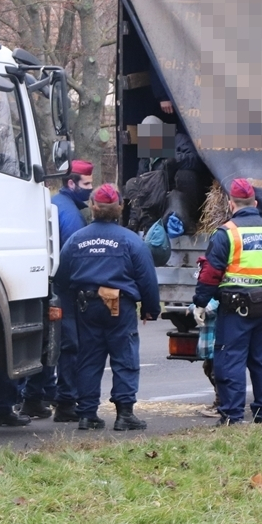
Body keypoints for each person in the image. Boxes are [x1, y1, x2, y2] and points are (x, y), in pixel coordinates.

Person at [54, 184, 161, 431]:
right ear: (119, 208)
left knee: (89, 358)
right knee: (124, 357)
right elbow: (147, 278)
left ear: (93, 207)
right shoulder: (130, 241)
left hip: (86, 306)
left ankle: (87, 414)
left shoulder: (76, 240)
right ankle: (124, 414)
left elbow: (61, 279)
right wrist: (150, 309)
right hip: (118, 305)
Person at [192, 178, 262, 425]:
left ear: (230, 203)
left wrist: (200, 302)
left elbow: (211, 272)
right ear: (254, 203)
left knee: (230, 360)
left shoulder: (228, 233)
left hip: (235, 309)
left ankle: (232, 416)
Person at [19, 159, 94, 421]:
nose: (90, 189)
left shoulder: (51, 203)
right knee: (68, 345)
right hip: (65, 288)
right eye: (87, 184)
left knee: (44, 343)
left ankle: (33, 397)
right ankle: (66, 402)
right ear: (71, 183)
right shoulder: (72, 215)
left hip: (42, 282)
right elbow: (76, 255)